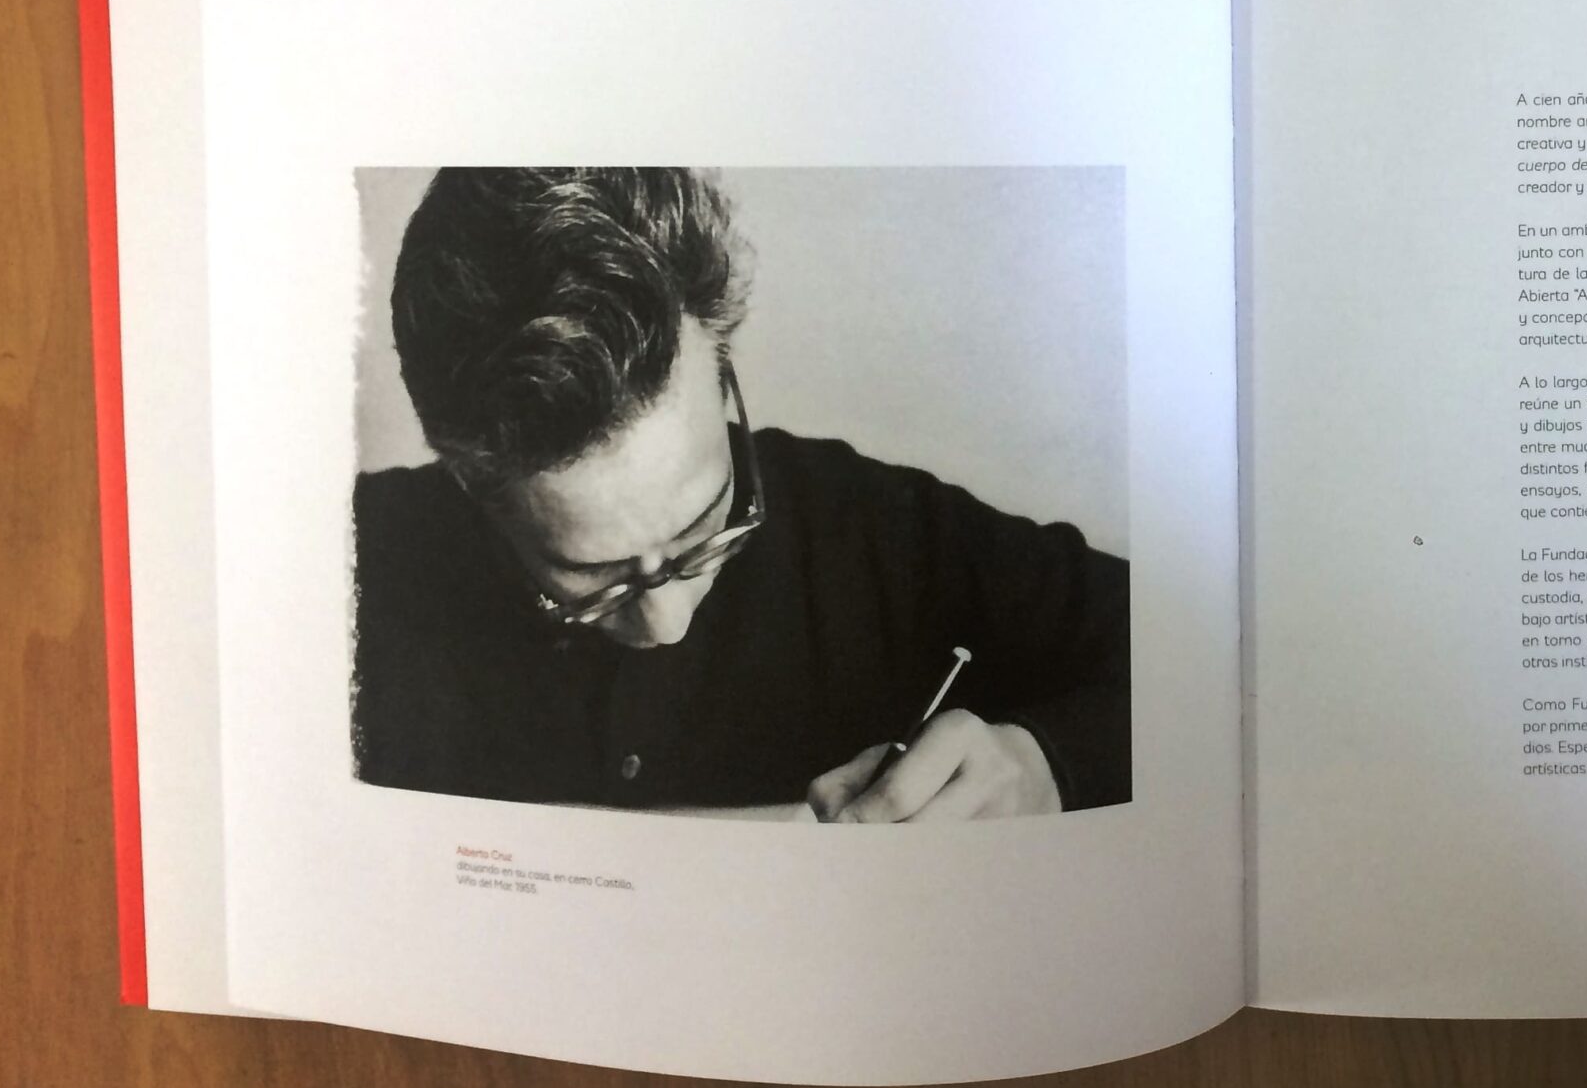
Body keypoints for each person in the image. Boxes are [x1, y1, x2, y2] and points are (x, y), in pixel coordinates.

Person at [351, 167, 1129, 819]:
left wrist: (1047, 762)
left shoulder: (877, 531)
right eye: (591, 576)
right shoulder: (344, 568)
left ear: (724, 379)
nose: (668, 622)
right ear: (469, 478)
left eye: (705, 527)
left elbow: (1187, 660)